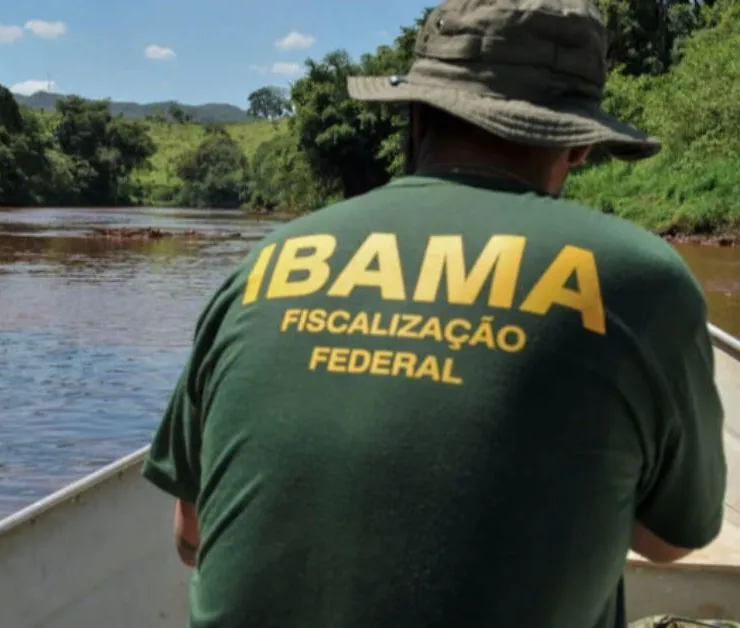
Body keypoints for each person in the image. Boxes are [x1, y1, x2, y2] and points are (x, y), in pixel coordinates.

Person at [140, 0, 728, 626]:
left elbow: (190, 532)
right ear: (578, 144)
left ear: (416, 116)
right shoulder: (639, 281)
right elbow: (672, 541)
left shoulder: (267, 261)